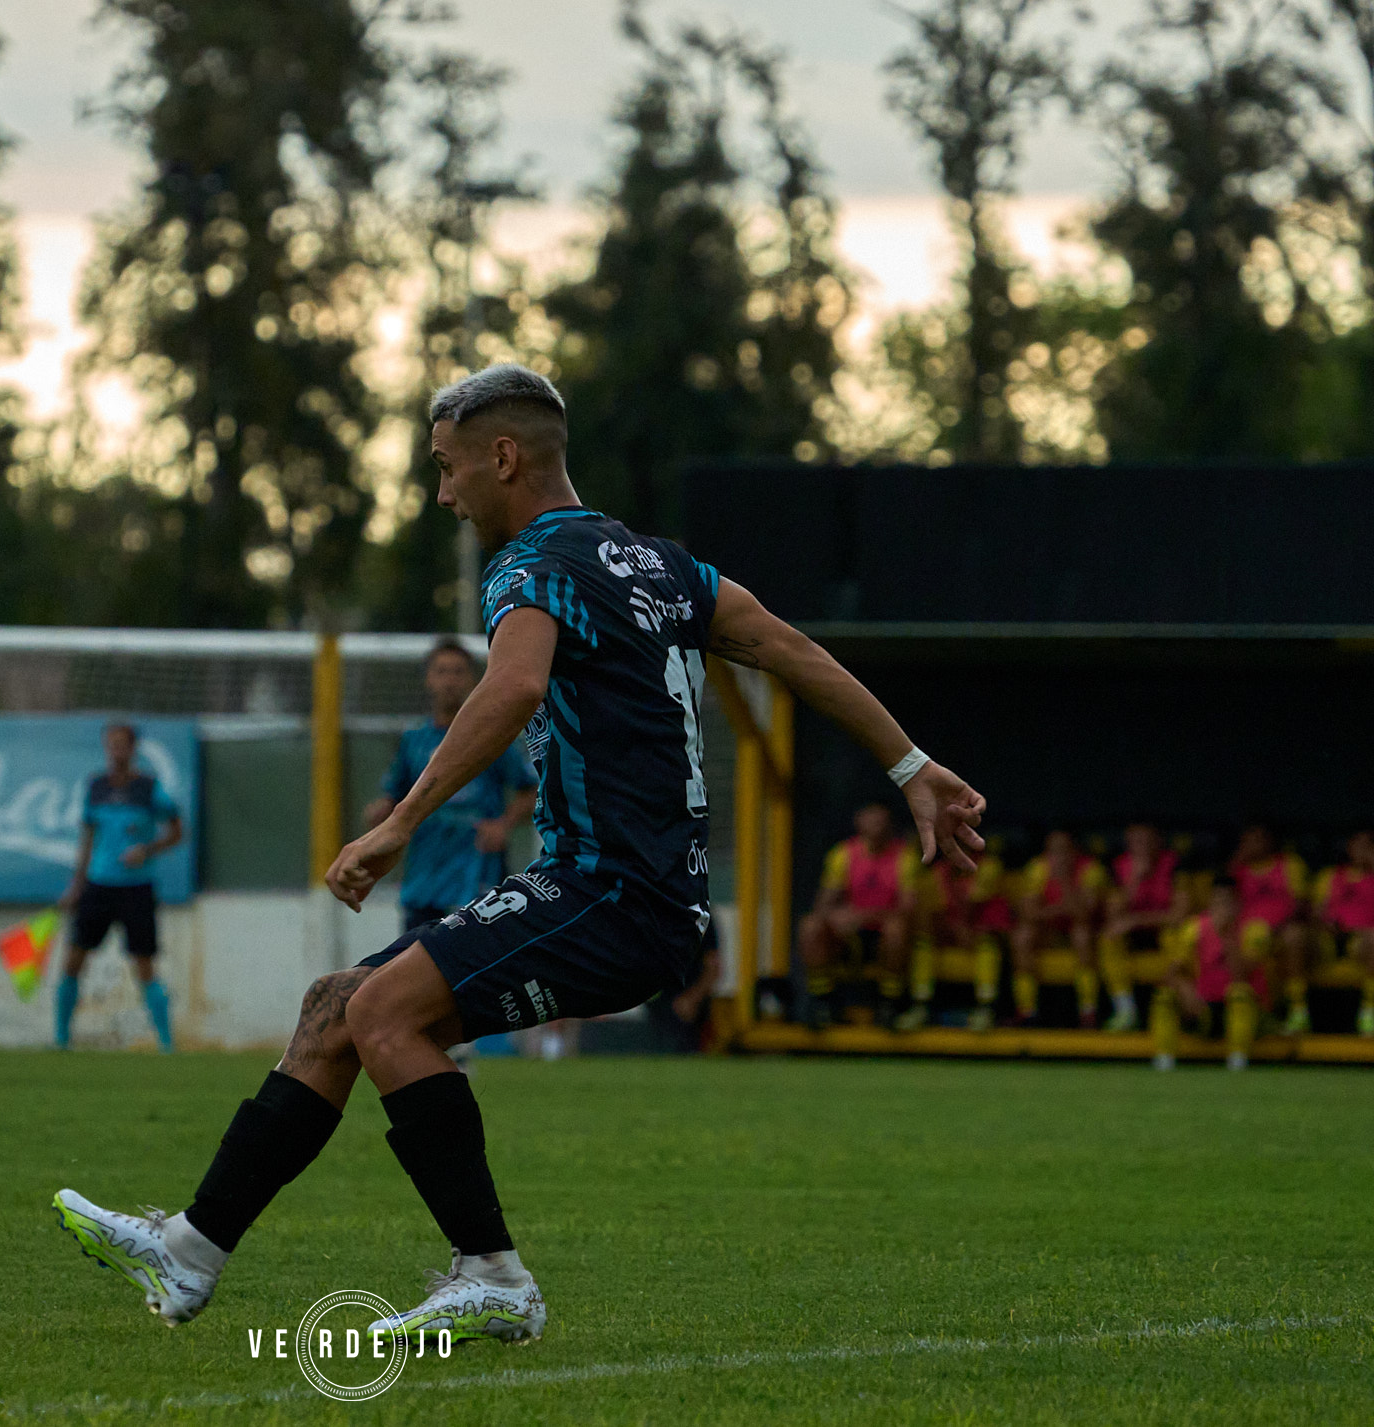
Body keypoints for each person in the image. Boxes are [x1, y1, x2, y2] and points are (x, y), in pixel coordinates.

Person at [50, 363, 985, 1344]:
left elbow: (513, 686)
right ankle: (191, 1248)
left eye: (446, 467)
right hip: (620, 892)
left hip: (611, 894)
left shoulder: (529, 565)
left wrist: (399, 821)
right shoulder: (659, 565)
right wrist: (910, 764)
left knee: (382, 1012)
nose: (442, 494)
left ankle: (492, 1272)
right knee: (334, 1007)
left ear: (502, 457)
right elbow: (790, 647)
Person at [366, 638, 537, 935]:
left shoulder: (492, 734)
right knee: (413, 952)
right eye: (442, 671)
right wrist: (380, 818)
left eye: (458, 672)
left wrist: (503, 824)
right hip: (425, 876)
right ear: (428, 679)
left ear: (472, 680)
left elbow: (531, 790)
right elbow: (394, 798)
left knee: (479, 955)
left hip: (478, 874)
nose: (450, 681)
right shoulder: (413, 740)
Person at [55, 722, 186, 1053]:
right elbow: (88, 839)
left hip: (136, 888)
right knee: (73, 960)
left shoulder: (148, 789)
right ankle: (61, 1040)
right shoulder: (96, 787)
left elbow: (176, 832)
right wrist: (76, 886)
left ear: (132, 749)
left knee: (144, 965)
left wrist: (147, 850)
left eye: (121, 744)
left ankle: (166, 1044)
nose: (115, 751)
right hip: (98, 885)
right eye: (110, 744)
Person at [797, 804, 921, 1029]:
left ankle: (889, 1003)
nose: (875, 825)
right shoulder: (843, 854)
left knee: (897, 929)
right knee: (811, 926)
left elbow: (908, 908)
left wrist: (864, 916)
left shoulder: (905, 857)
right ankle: (822, 1002)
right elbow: (823, 904)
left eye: (880, 820)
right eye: (870, 818)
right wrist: (836, 917)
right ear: (858, 821)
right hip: (848, 937)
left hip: (883, 934)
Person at [1152, 876, 1265, 1071]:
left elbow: (1241, 977)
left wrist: (1226, 937)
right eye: (1217, 902)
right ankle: (1164, 1059)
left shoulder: (1254, 929)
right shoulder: (1195, 928)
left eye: (1227, 902)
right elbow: (1170, 975)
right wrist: (1184, 987)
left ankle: (1238, 1059)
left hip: (1248, 1012)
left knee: (1240, 994)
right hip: (1205, 1008)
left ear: (1238, 904)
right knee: (1165, 997)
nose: (1222, 909)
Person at [1010, 829, 1108, 1028]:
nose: (1059, 856)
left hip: (1081, 931)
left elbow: (1084, 914)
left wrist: (1064, 881)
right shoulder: (1038, 868)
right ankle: (1027, 1012)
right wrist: (1060, 910)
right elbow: (1029, 913)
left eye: (1064, 850)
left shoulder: (1091, 869)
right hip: (1048, 930)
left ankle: (1088, 1012)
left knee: (1082, 934)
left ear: (1075, 851)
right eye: (1053, 851)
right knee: (1023, 936)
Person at [908, 850, 1012, 1031]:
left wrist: (965, 931)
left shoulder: (988, 867)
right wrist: (951, 931)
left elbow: (975, 906)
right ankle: (920, 1006)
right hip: (951, 933)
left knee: (988, 947)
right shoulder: (938, 871)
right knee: (923, 945)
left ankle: (986, 1008)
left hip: (981, 932)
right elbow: (934, 912)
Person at [1096, 822, 1184, 1032]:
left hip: (1163, 931)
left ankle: (1176, 1006)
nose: (1142, 847)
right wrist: (1135, 879)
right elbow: (1114, 913)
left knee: (1177, 937)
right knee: (1109, 938)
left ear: (1158, 842)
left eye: (1147, 841)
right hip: (1132, 936)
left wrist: (1137, 920)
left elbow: (1180, 915)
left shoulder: (1175, 865)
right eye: (1136, 842)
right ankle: (1126, 1011)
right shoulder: (1118, 866)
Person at [1229, 824, 1311, 1034]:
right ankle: (1247, 1013)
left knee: (1294, 935)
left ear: (1270, 841)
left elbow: (1301, 906)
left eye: (1258, 839)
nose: (1253, 845)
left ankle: (1298, 1008)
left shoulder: (1289, 864)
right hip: (1248, 938)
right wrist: (1237, 862)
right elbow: (1223, 904)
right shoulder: (1238, 870)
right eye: (1248, 840)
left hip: (1282, 934)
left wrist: (1275, 929)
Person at [1311, 831, 1374, 1037]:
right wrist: (1327, 924)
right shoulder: (1330, 876)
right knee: (1295, 937)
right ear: (1349, 847)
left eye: (1368, 846)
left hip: (1363, 941)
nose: (1362, 851)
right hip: (1330, 940)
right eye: (1358, 845)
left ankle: (1369, 1009)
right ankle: (1297, 1009)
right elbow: (1315, 913)